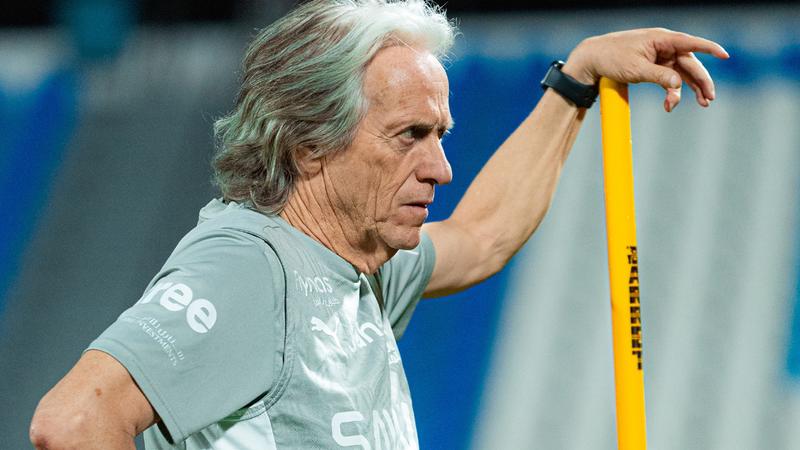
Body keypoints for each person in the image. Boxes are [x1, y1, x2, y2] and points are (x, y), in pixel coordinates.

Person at [29, 1, 728, 449]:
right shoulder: (251, 267)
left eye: (441, 135)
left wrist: (576, 80)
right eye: (409, 136)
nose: (441, 168)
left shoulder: (352, 260)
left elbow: (481, 237)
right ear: (310, 143)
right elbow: (73, 422)